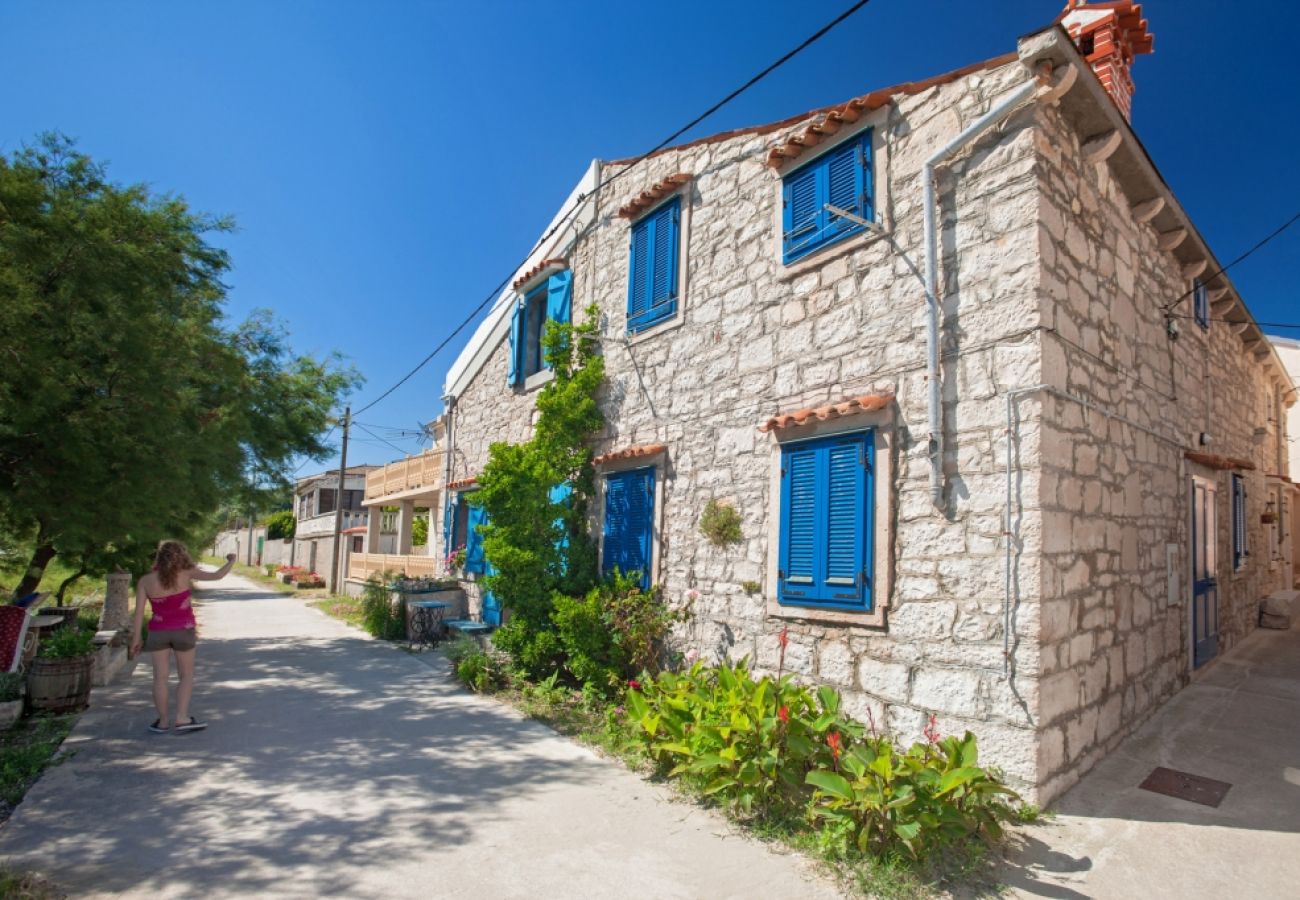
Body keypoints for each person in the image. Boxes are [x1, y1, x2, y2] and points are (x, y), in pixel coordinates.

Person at [131, 541, 235, 734]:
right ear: (182, 555)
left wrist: (136, 639)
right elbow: (218, 575)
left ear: (159, 557)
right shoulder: (187, 572)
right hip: (184, 631)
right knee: (186, 675)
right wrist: (231, 560)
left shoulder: (145, 581)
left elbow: (138, 613)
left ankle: (162, 722)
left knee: (159, 678)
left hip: (157, 631)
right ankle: (181, 718)